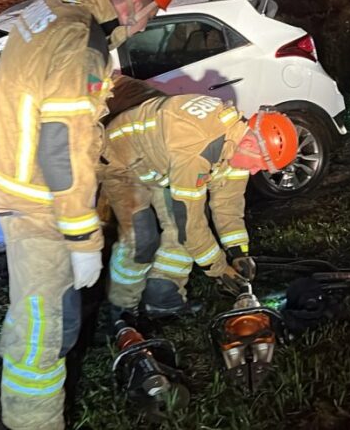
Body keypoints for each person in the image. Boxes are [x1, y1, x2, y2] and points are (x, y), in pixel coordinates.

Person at [0, 0, 179, 430]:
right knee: (41, 337)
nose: (147, 24)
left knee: (55, 318)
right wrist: (83, 240)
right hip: (40, 205)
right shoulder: (83, 43)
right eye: (152, 12)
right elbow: (61, 149)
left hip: (21, 191)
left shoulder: (55, 7)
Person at [101, 94, 298, 319]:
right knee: (141, 239)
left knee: (181, 231)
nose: (254, 172)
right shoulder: (198, 147)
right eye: (258, 165)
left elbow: (228, 203)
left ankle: (162, 298)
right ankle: (121, 310)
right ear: (251, 143)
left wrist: (238, 252)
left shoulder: (238, 143)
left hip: (161, 164)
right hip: (121, 163)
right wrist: (219, 269)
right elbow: (190, 224)